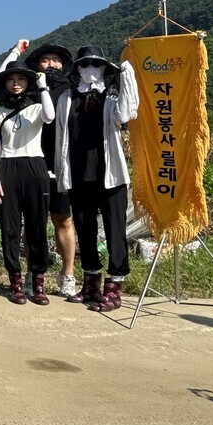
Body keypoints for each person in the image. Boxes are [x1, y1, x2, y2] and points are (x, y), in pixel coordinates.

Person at [55, 46, 138, 312]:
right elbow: (60, 141)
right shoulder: (67, 99)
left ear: (104, 69)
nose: (90, 69)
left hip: (110, 176)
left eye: (96, 65)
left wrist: (127, 76)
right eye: (84, 65)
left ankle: (114, 287)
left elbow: (126, 115)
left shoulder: (111, 98)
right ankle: (90, 283)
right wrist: (62, 179)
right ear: (77, 70)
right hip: (79, 176)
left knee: (116, 231)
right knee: (85, 230)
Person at [0, 41, 78, 297]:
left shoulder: (71, 89)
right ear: (37, 66)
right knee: (33, 224)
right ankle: (34, 275)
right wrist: (14, 53)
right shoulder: (29, 93)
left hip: (61, 164)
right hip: (31, 165)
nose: (52, 64)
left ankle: (68, 274)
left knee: (63, 218)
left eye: (56, 59)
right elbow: (3, 79)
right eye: (46, 60)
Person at [0, 60, 55, 304]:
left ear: (28, 83)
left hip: (35, 166)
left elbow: (50, 116)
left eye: (21, 80)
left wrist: (44, 86)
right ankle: (15, 281)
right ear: (5, 84)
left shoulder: (37, 107)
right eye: (10, 80)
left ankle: (37, 282)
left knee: (37, 226)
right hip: (8, 167)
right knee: (10, 228)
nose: (16, 84)